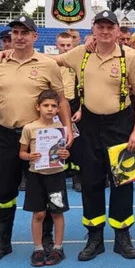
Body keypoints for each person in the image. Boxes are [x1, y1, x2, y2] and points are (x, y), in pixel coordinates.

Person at [56, 10, 135, 261]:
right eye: (100, 27)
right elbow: (51, 61)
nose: (105, 31)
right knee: (91, 182)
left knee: (123, 183)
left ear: (118, 31)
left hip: (121, 125)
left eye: (110, 27)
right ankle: (94, 237)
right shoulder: (80, 53)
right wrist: (9, 53)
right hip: (90, 126)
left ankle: (122, 235)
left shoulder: (129, 56)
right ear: (93, 30)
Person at [0, 15, 71, 263]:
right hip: (5, 135)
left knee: (44, 189)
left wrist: (67, 130)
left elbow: (61, 100)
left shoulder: (48, 64)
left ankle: (46, 241)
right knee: (4, 190)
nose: (19, 37)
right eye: (15, 32)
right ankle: (3, 240)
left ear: (34, 36)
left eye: (25, 32)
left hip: (39, 139)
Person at [20, 90, 70, 266]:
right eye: (46, 105)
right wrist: (29, 156)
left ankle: (58, 247)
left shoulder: (61, 129)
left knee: (57, 212)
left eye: (53, 106)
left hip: (56, 176)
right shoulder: (29, 128)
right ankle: (38, 248)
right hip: (36, 176)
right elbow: (22, 153)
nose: (50, 109)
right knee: (39, 214)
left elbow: (64, 153)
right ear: (38, 107)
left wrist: (65, 154)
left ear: (58, 109)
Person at [55, 31, 82, 192]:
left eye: (68, 45)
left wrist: (80, 108)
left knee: (78, 142)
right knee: (58, 140)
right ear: (56, 45)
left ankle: (78, 175)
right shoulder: (51, 63)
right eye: (62, 45)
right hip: (56, 106)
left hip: (75, 104)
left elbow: (86, 87)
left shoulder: (78, 62)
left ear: (74, 45)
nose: (65, 48)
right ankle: (61, 171)